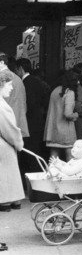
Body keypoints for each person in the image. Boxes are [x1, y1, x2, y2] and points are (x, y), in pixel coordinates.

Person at [0, 70, 25, 231]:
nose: (11, 88)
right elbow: (9, 129)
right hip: (3, 147)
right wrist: (19, 143)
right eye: (8, 85)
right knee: (5, 181)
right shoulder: (2, 106)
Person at [44, 71, 79, 160]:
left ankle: (50, 174)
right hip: (66, 131)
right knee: (70, 159)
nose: (78, 83)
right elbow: (68, 114)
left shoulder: (55, 91)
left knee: (53, 160)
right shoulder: (70, 92)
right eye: (76, 81)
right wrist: (76, 115)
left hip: (53, 130)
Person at [0, 53, 29, 142]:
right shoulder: (17, 79)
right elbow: (24, 104)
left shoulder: (2, 78)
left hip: (4, 126)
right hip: (17, 125)